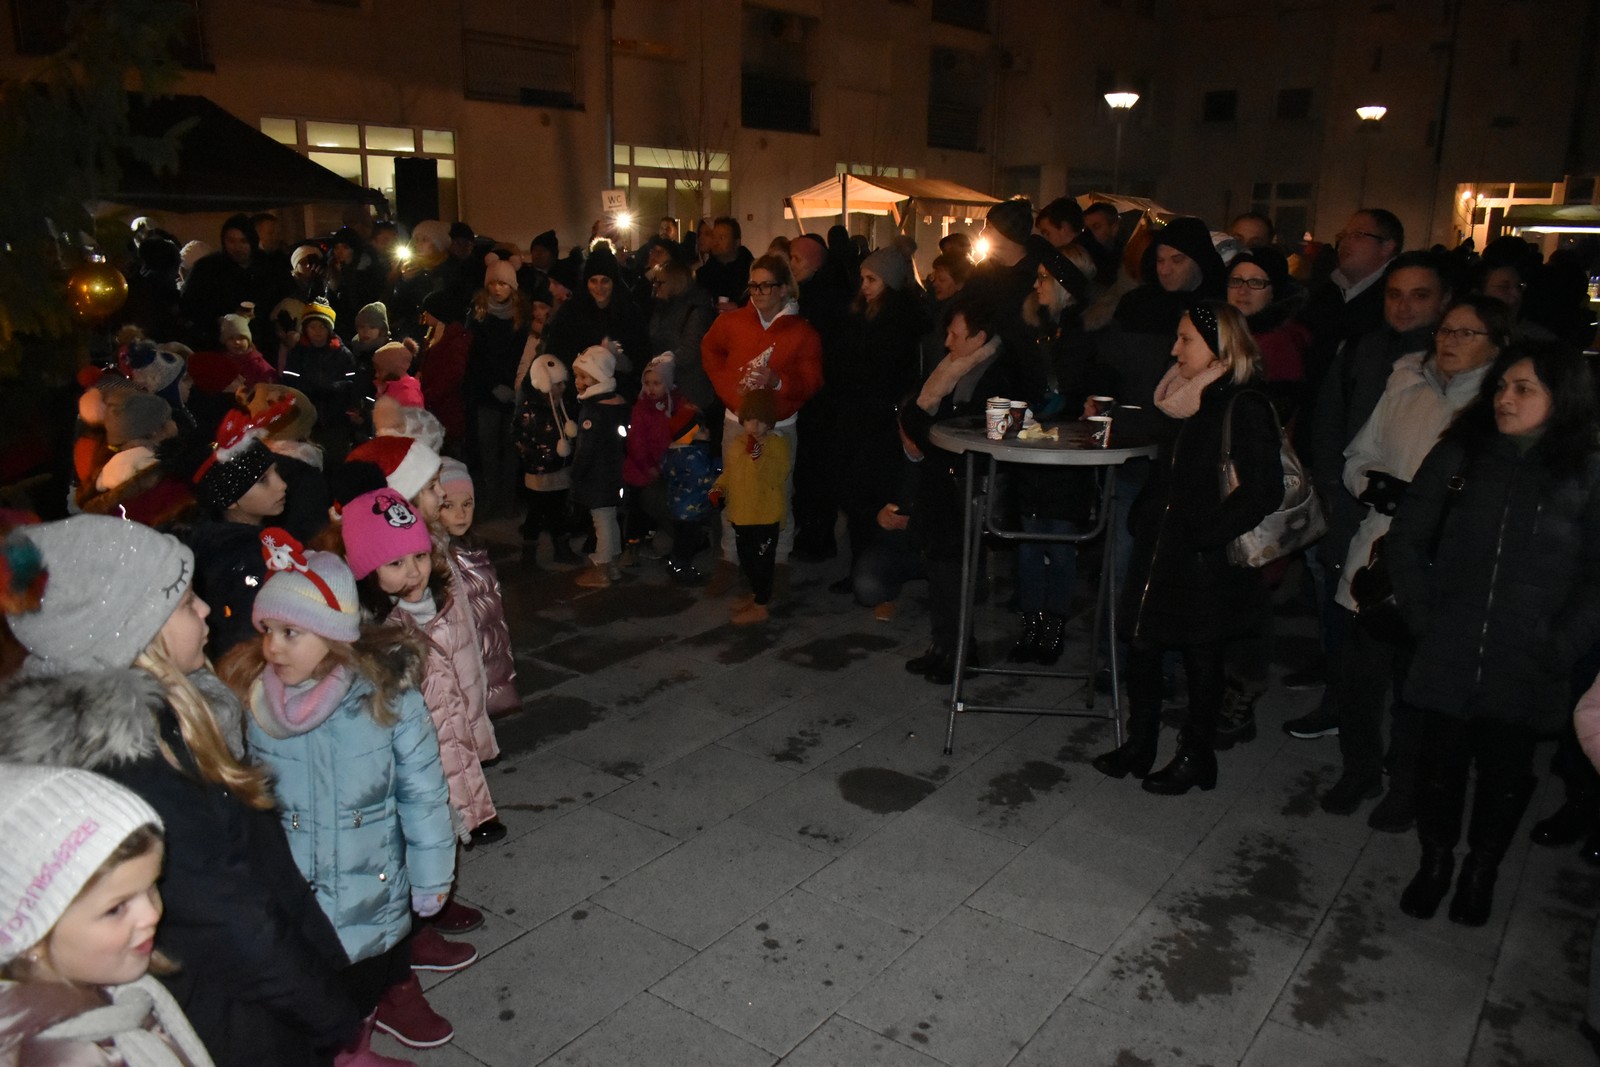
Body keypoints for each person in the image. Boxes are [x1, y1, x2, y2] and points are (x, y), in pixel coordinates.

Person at [0, 516, 362, 1067]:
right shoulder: (142, 770)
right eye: (186, 601)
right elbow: (235, 920)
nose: (205, 610)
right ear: (135, 633)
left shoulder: (169, 717)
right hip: (238, 1023)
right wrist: (328, 1010)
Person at [216, 528, 461, 1051]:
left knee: (362, 990)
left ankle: (358, 1048)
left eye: (291, 632)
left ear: (332, 637)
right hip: (291, 896)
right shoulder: (252, 703)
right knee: (308, 999)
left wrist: (431, 875)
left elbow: (423, 795)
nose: (273, 646)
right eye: (269, 630)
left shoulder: (388, 700)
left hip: (368, 889)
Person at [1391, 342, 1600, 926]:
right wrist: (1422, 618)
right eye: (1502, 386)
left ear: (1562, 398)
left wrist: (1560, 645)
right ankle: (1435, 863)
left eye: (1524, 388)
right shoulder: (1462, 453)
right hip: (1449, 644)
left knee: (1506, 776)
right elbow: (1407, 536)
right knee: (1439, 767)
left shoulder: (1586, 471)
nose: (1505, 398)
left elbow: (1596, 578)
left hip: (1527, 657)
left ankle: (1481, 869)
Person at [1318, 295, 1510, 829]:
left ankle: (1405, 783)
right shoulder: (1404, 383)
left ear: (1496, 346)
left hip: (1438, 566)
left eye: (1466, 334)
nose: (1448, 341)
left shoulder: (1496, 408)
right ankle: (1359, 769)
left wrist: (1431, 511)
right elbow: (1360, 452)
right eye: (1446, 331)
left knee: (1416, 687)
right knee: (1358, 677)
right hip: (1378, 551)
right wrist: (1375, 486)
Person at [1090, 302, 1283, 795]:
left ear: (1221, 347)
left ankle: (1197, 756)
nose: (1174, 349)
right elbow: (1168, 469)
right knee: (1144, 646)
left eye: (1186, 340)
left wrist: (1204, 537)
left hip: (1204, 559)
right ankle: (1141, 744)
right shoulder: (1182, 397)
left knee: (1202, 658)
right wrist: (1146, 516)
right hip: (1160, 547)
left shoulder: (1243, 403)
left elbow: (1263, 489)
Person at [0, 764, 217, 1067]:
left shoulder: (111, 996)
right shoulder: (67, 1057)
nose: (152, 913)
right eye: (116, 908)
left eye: (153, 885)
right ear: (31, 939)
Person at [898, 296, 1024, 685]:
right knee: (938, 565)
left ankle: (961, 650)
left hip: (967, 480)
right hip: (942, 478)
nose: (948, 342)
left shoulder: (997, 373)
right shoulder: (951, 367)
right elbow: (916, 412)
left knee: (956, 568)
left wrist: (924, 428)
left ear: (979, 336)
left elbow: (961, 428)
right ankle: (942, 644)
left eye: (955, 334)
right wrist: (923, 427)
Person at [699, 254, 824, 573]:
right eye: (753, 285)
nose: (758, 292)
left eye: (766, 285)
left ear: (783, 289)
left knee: (777, 491)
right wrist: (729, 390)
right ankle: (731, 558)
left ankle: (778, 562)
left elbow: (812, 380)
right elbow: (710, 352)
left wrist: (779, 381)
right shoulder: (732, 322)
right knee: (735, 488)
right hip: (735, 421)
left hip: (780, 425)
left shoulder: (802, 331)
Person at [437, 460, 519, 716]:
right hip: (462, 666)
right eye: (448, 506)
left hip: (487, 658)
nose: (461, 514)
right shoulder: (436, 559)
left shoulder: (474, 550)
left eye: (467, 504)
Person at [710, 389, 791, 625]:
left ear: (769, 422)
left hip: (765, 517)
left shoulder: (777, 445)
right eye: (748, 420)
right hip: (742, 515)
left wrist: (759, 457)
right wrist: (718, 488)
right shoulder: (738, 443)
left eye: (759, 420)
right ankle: (756, 595)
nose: (753, 426)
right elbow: (730, 473)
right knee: (747, 560)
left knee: (763, 563)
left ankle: (761, 605)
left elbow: (776, 476)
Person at [569, 346, 630, 588]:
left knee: (601, 520)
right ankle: (613, 564)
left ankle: (603, 567)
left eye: (584, 377)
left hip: (598, 475)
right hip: (617, 472)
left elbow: (587, 448)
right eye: (577, 376)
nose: (578, 382)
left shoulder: (593, 410)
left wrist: (576, 473)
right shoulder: (619, 404)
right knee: (610, 518)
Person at [512, 353, 580, 566]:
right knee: (537, 512)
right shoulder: (530, 409)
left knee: (558, 511)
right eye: (556, 384)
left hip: (559, 469)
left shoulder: (563, 406)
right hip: (539, 470)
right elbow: (518, 436)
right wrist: (534, 457)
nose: (561, 388)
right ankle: (529, 554)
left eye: (562, 384)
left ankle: (562, 548)